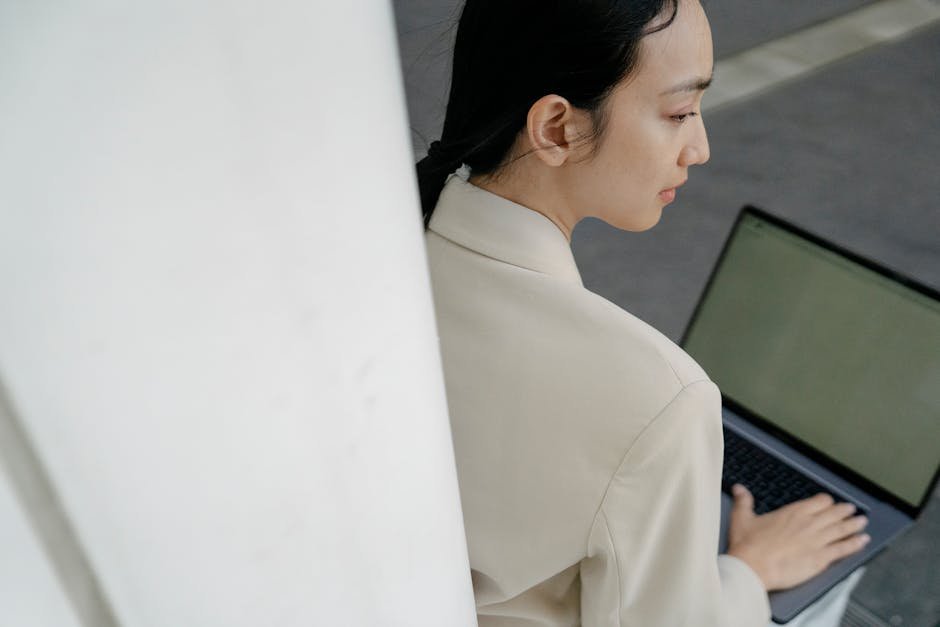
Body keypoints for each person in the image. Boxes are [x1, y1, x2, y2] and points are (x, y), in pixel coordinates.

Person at [417, 0, 870, 625]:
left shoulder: (385, 245)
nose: (700, 148)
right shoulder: (662, 397)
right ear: (556, 127)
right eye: (680, 112)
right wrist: (746, 574)